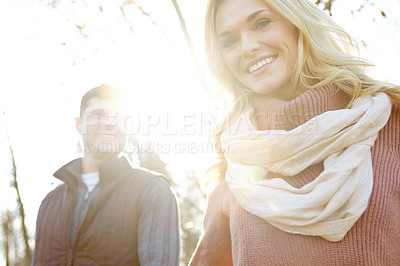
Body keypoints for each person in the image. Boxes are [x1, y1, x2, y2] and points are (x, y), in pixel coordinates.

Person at [190, 0, 400, 265]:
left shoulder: (389, 124)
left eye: (262, 23)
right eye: (230, 41)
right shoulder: (235, 160)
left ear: (297, 23)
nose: (248, 47)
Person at [33, 84, 180, 265]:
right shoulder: (50, 203)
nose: (109, 122)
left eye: (118, 117)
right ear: (79, 124)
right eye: (98, 115)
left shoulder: (152, 190)